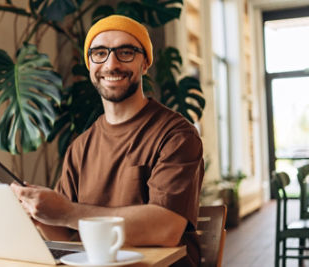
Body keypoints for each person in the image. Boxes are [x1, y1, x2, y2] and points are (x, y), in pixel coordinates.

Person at [11, 14, 204, 266]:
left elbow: (166, 229)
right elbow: (68, 235)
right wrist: (39, 215)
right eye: (99, 53)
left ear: (145, 63)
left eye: (125, 52)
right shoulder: (80, 147)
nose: (111, 64)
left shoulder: (177, 135)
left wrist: (67, 212)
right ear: (90, 65)